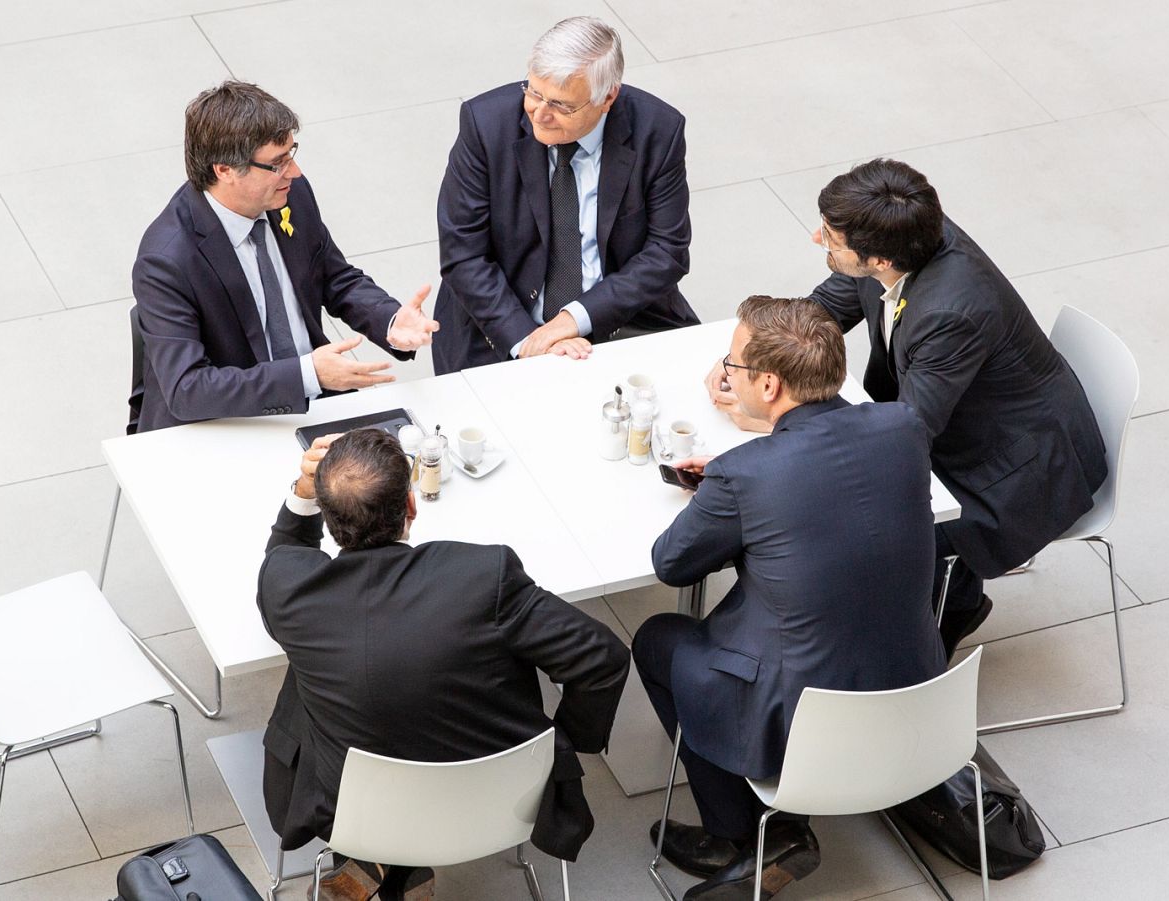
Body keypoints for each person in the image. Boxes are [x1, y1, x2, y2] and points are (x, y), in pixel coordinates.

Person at [704, 159, 1107, 656]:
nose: (816, 239)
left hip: (1014, 472)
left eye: (829, 236)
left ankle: (945, 611)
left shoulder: (950, 312)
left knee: (854, 528)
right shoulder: (904, 234)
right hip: (970, 425)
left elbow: (905, 434)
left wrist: (781, 421)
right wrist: (751, 361)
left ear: (878, 260)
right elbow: (826, 309)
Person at [640, 296, 945, 900]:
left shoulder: (745, 474)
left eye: (732, 366)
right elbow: (828, 468)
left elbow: (671, 563)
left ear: (770, 383)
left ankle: (747, 835)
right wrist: (756, 457)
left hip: (803, 719)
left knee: (657, 640)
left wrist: (728, 486)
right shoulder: (903, 426)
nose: (726, 375)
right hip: (921, 694)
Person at [257, 429, 631, 900]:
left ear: (330, 523)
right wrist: (566, 741)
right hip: (501, 802)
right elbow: (604, 658)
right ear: (410, 506)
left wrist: (302, 496)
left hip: (352, 812)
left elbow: (284, 557)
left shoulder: (288, 589)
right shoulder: (482, 575)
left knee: (308, 669)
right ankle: (399, 865)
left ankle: (378, 862)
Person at [131, 81, 439, 433]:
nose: (294, 172)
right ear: (225, 170)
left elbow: (334, 277)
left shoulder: (289, 195)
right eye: (277, 163)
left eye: (292, 153)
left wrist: (390, 321)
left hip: (314, 401)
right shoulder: (166, 260)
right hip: (222, 424)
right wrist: (307, 374)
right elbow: (188, 389)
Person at [432, 16, 699, 374]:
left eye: (562, 105)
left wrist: (573, 320)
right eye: (533, 92)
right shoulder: (484, 124)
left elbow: (667, 252)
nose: (540, 115)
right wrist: (531, 342)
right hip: (501, 326)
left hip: (619, 319)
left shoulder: (658, 130)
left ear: (607, 97)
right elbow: (463, 254)